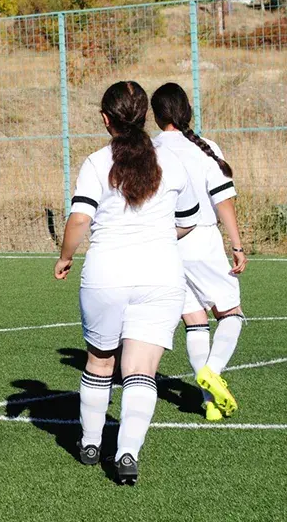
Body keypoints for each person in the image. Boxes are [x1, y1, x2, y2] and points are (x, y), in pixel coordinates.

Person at [54, 81, 200, 485]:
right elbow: (187, 220)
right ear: (146, 116)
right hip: (161, 276)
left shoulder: (96, 162)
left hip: (107, 274)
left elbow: (80, 219)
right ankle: (127, 454)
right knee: (141, 371)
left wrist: (65, 257)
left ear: (106, 119)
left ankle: (88, 443)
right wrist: (156, 241)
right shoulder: (172, 163)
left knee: (101, 361)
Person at [151, 83, 247, 421]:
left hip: (166, 244)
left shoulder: (150, 149)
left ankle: (208, 403)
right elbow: (223, 200)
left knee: (194, 321)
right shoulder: (204, 148)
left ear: (156, 115)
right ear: (186, 110)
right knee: (231, 313)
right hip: (201, 240)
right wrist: (236, 244)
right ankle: (213, 370)